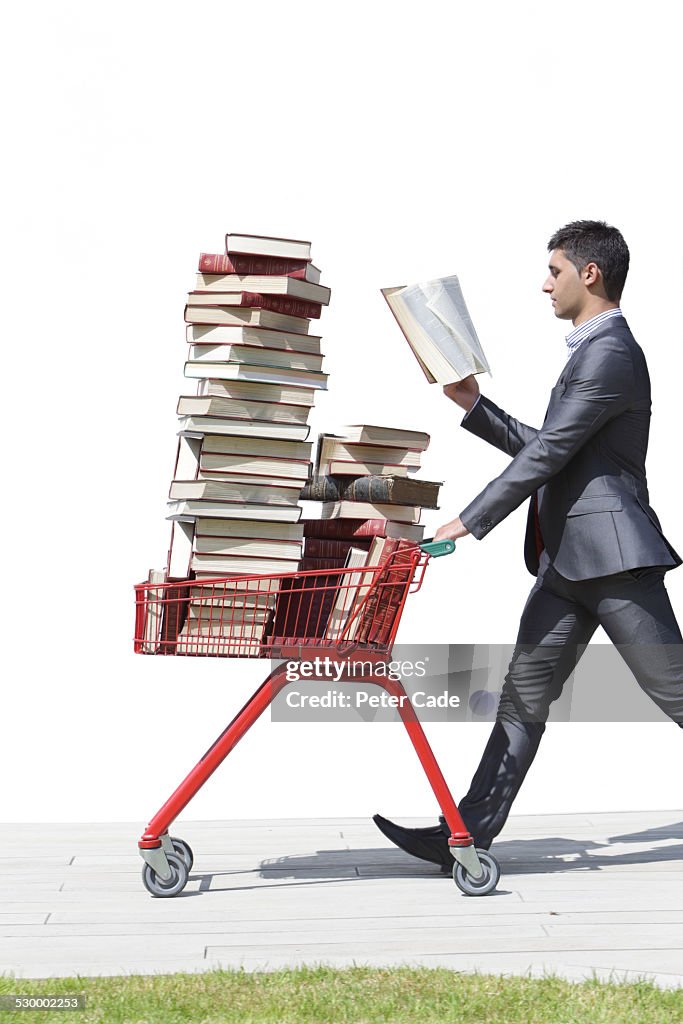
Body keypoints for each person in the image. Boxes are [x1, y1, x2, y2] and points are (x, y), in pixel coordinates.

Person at [374, 220, 683, 872]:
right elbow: (555, 451)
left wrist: (469, 518)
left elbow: (548, 452)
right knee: (522, 697)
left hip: (615, 561)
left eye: (554, 271)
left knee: (675, 693)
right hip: (568, 562)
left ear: (588, 274)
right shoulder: (589, 351)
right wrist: (474, 406)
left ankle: (468, 831)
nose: (545, 284)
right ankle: (467, 835)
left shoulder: (611, 353)